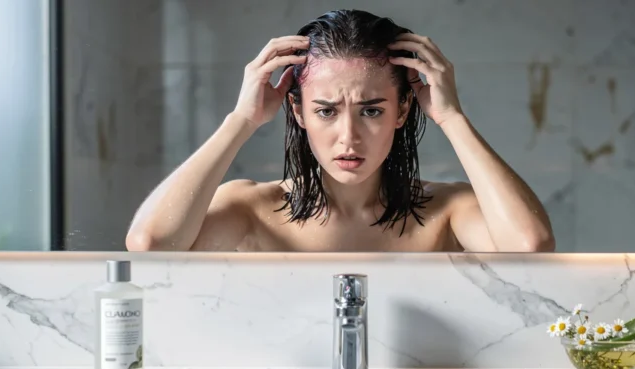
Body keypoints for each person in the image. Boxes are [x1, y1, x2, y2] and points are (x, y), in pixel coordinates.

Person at [126, 9, 554, 252]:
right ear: (297, 111)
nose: (348, 138)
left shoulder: (447, 209)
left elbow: (529, 246)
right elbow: (150, 245)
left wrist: (452, 118)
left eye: (371, 111)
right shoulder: (251, 208)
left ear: (403, 109)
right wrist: (240, 121)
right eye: (326, 111)